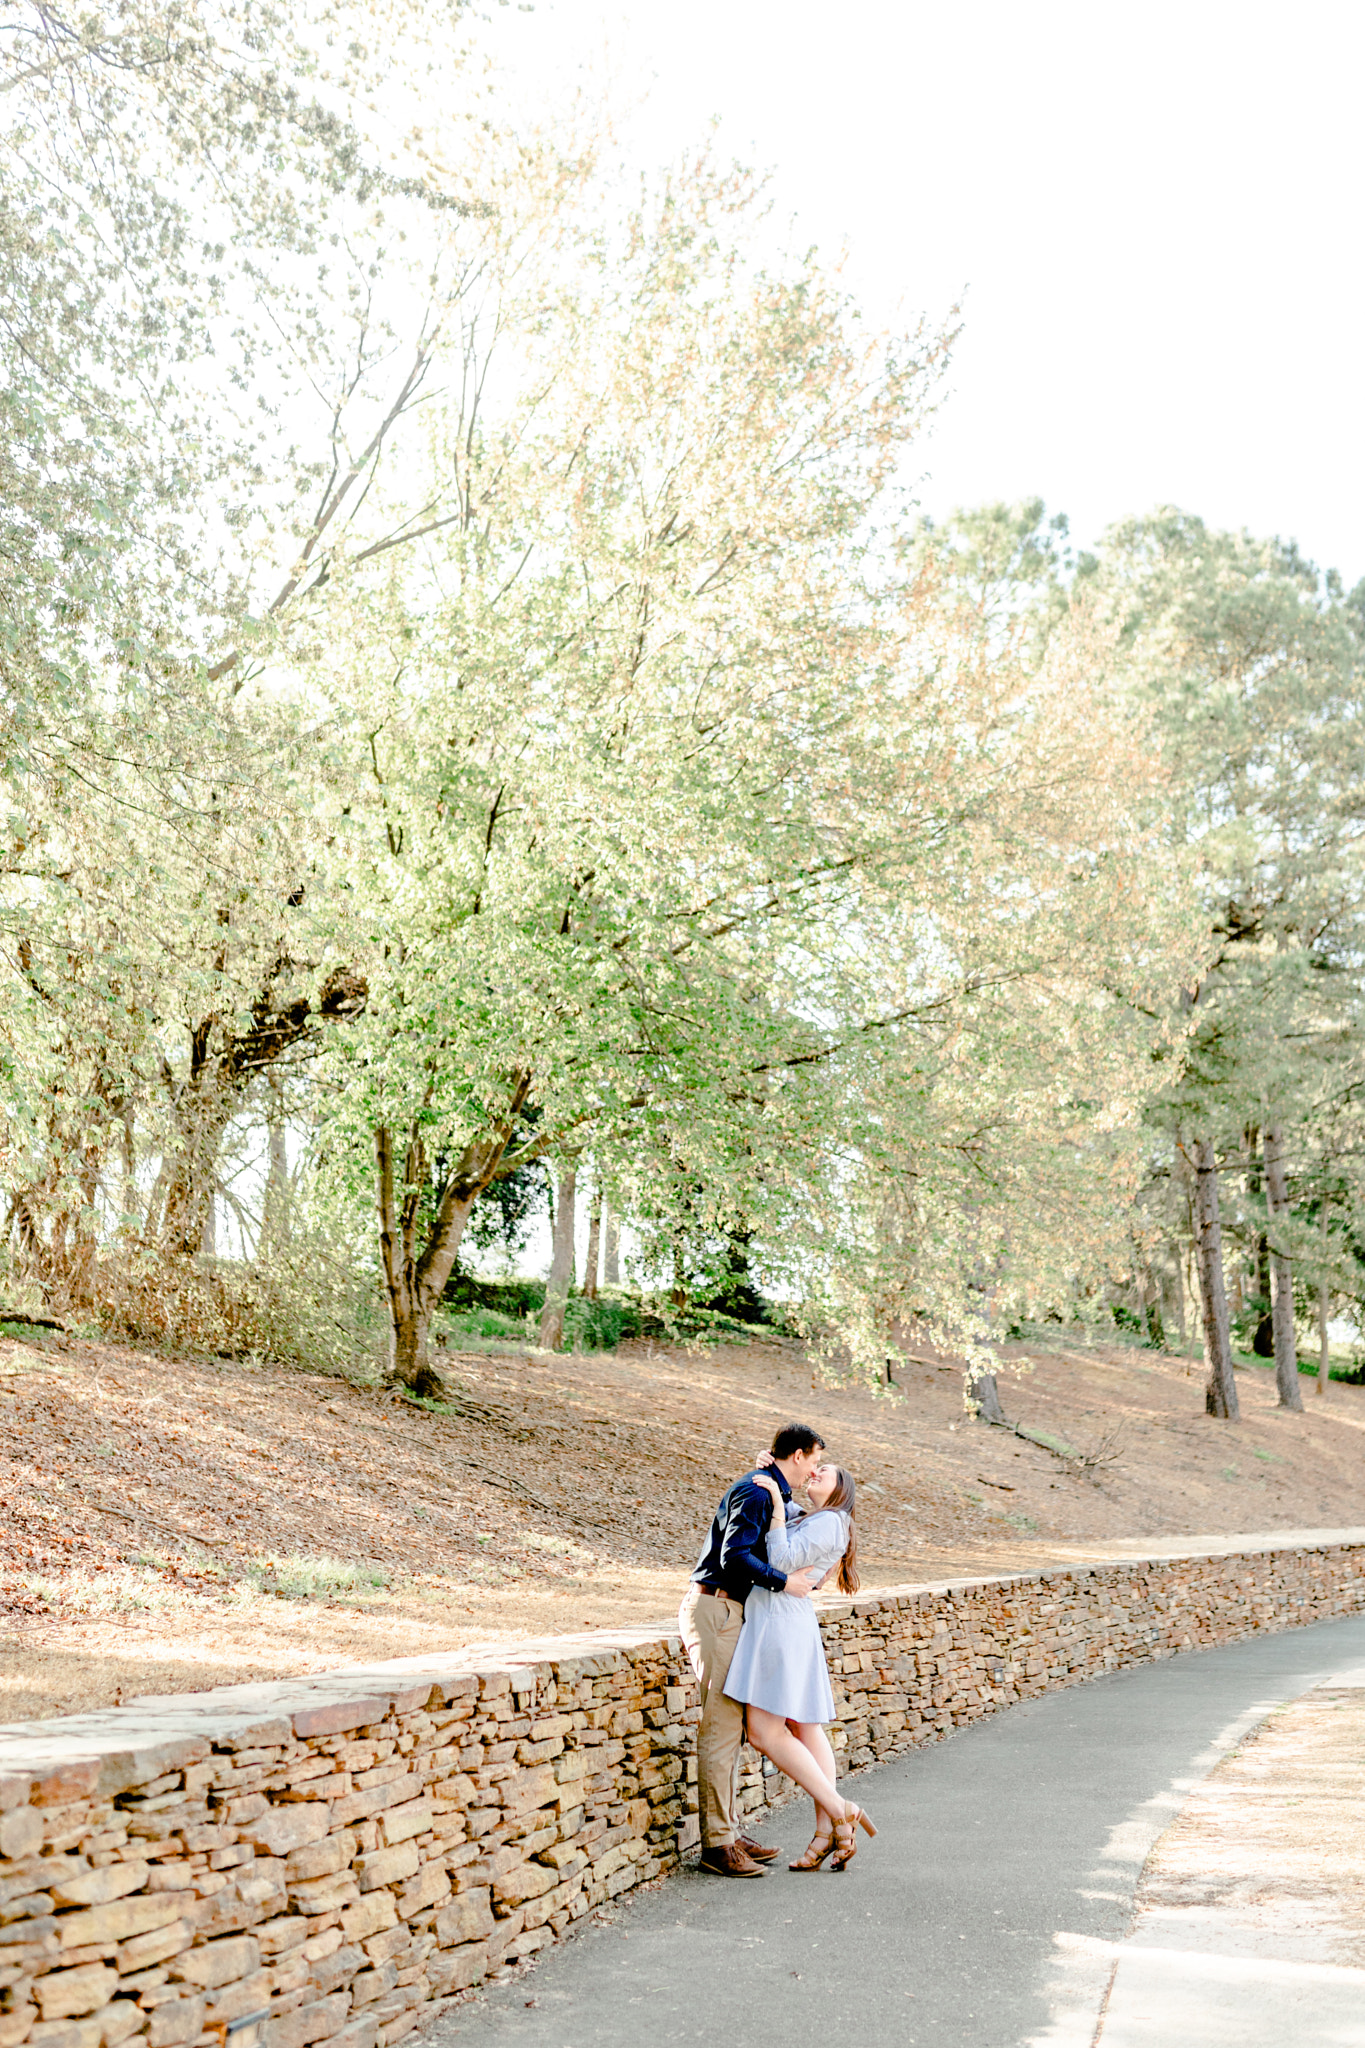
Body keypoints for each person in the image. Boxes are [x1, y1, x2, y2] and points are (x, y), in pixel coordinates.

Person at [678, 1423, 827, 1878]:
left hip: (733, 1613)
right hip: (717, 1609)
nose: (814, 1471)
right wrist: (786, 1581)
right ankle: (717, 1846)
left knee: (734, 1726)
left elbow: (798, 1524)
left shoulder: (772, 1490)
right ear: (797, 1455)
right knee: (722, 1726)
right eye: (814, 1462)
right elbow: (733, 1558)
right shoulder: (759, 1491)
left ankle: (729, 1831)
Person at [724, 1461, 877, 1872]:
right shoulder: (819, 1518)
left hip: (780, 1624)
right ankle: (828, 1831)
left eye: (823, 1470)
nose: (815, 1472)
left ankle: (840, 1809)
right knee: (804, 1727)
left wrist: (774, 1500)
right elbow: (782, 1517)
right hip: (784, 1620)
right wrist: (773, 1478)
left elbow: (780, 1557)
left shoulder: (831, 1523)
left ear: (841, 1488)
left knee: (764, 1732)